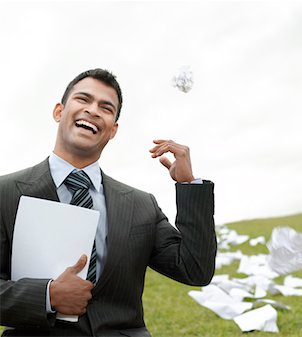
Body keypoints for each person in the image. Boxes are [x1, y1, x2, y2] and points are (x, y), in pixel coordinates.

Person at [0, 69, 216, 336]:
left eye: (106, 107)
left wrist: (188, 186)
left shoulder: (141, 205)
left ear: (113, 129)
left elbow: (195, 270)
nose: (93, 110)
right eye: (83, 99)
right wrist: (46, 296)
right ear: (59, 111)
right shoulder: (5, 193)